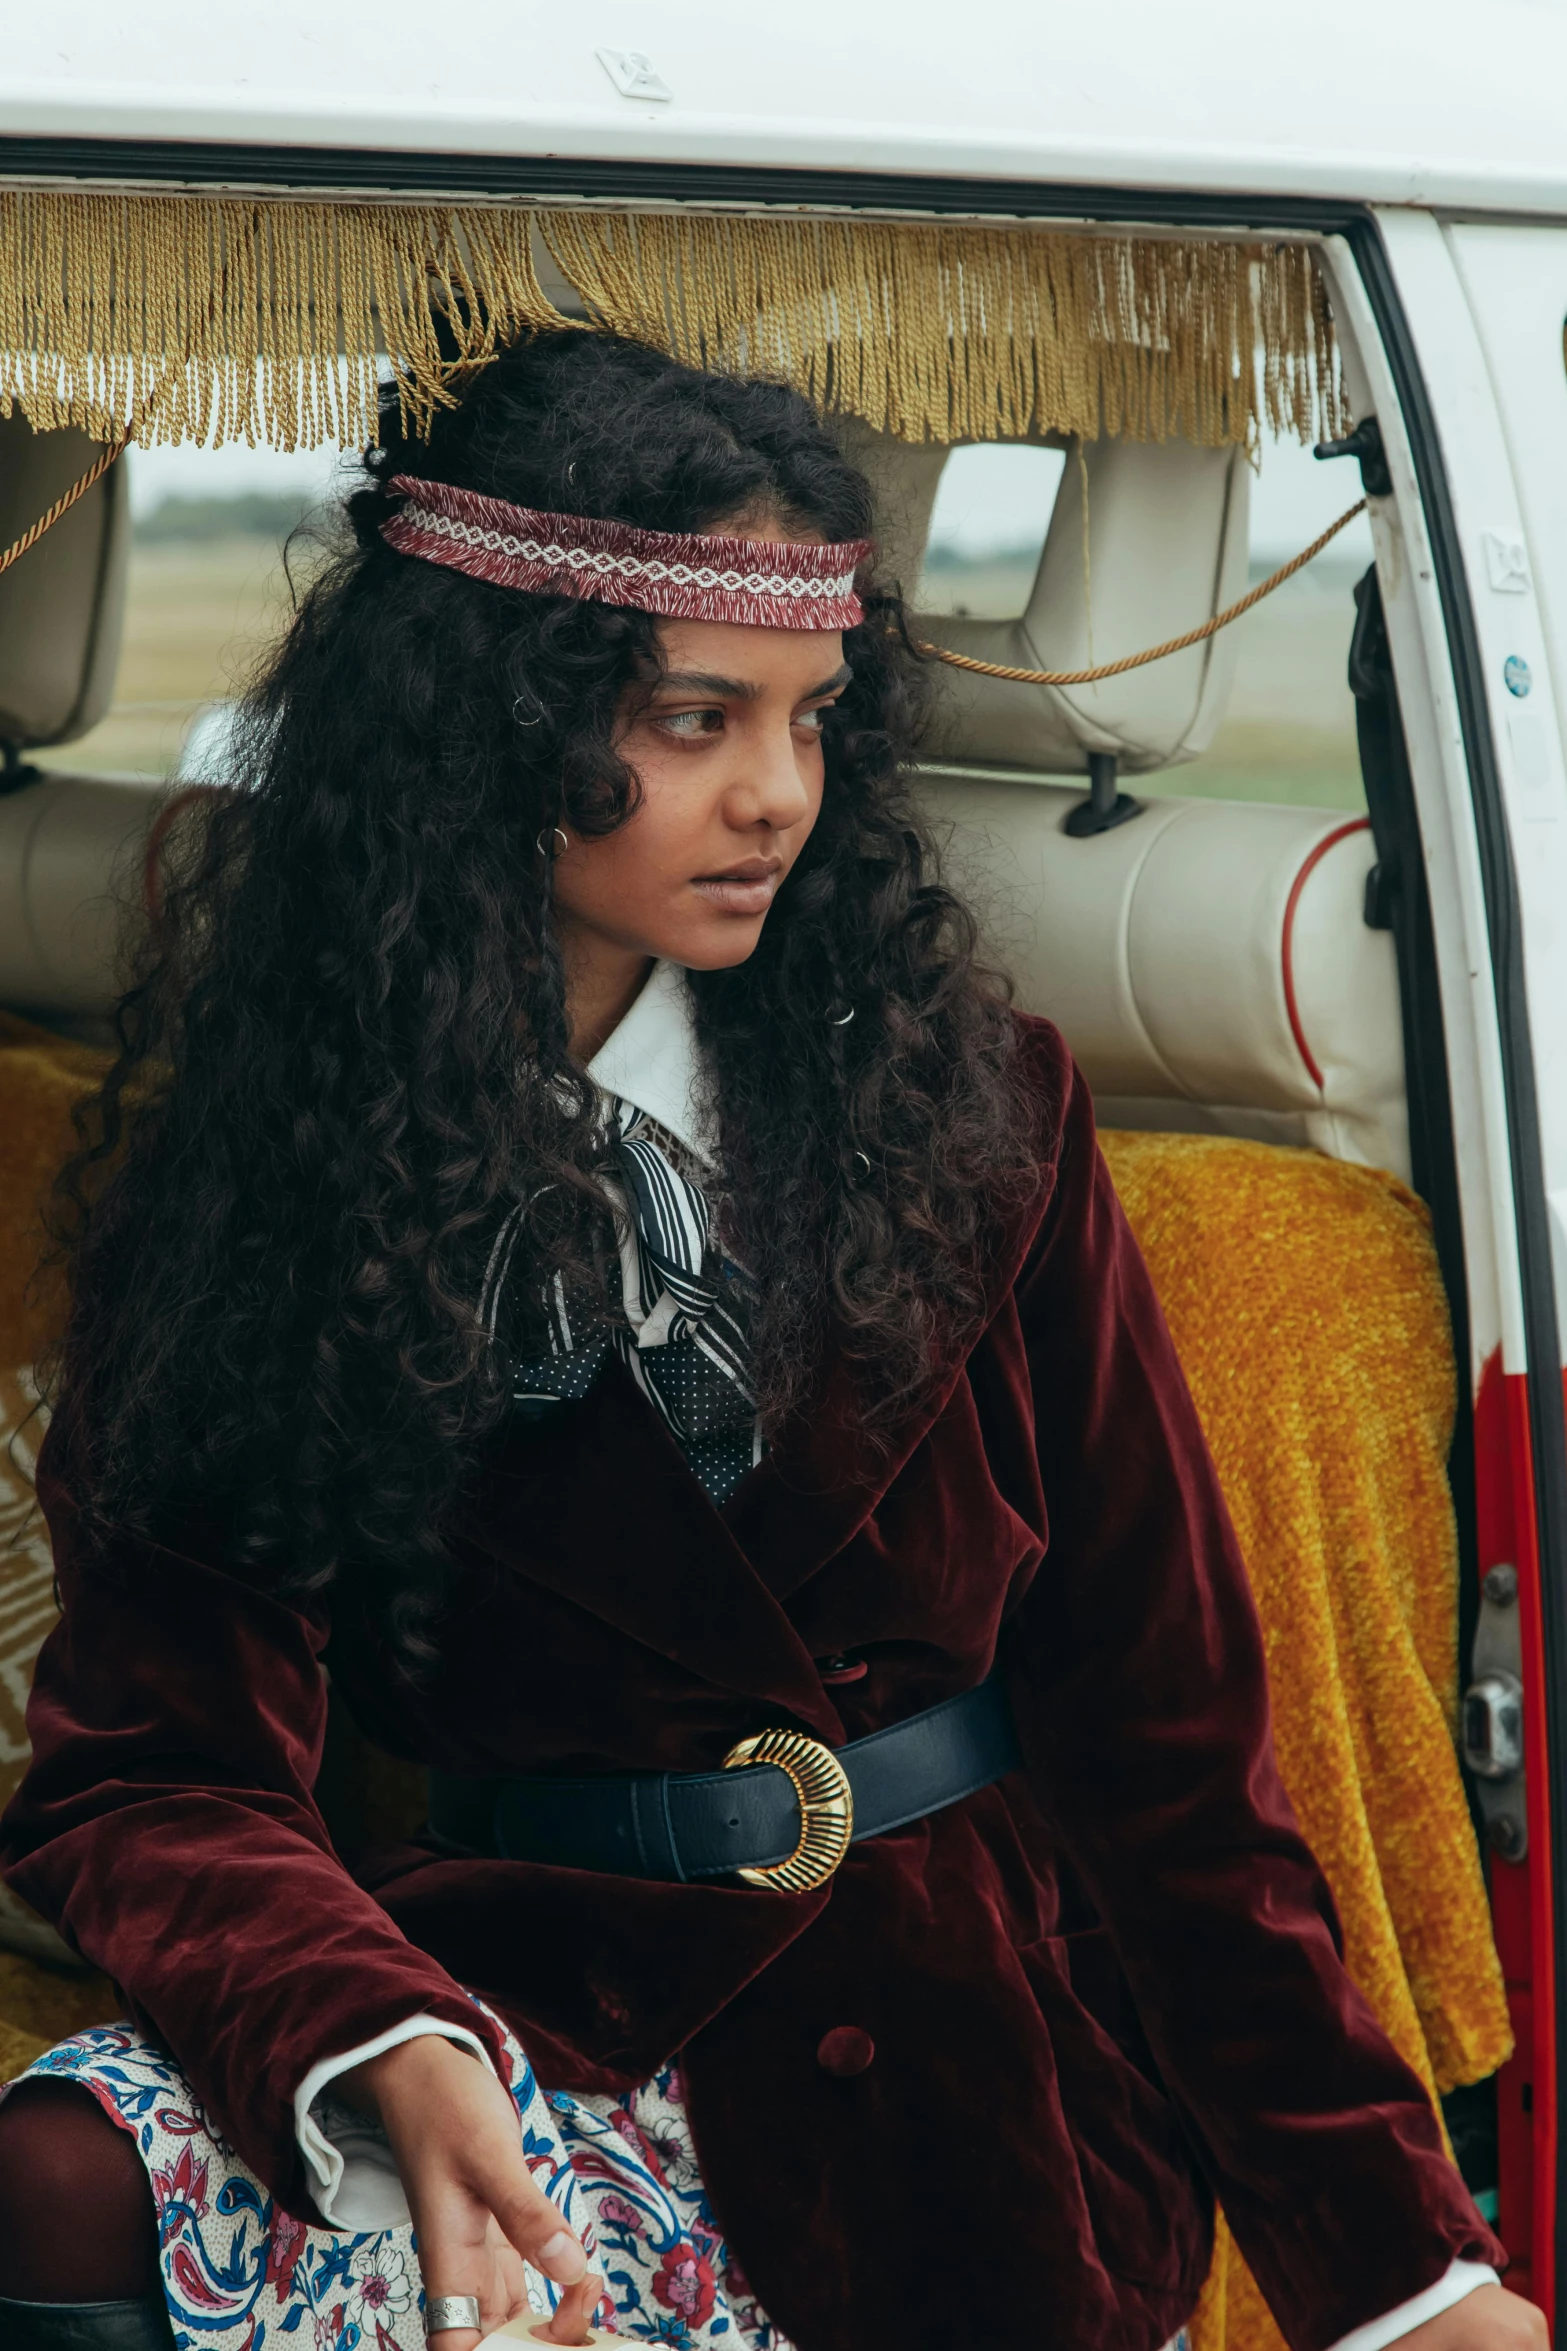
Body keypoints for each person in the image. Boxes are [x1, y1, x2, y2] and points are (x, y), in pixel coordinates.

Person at [0, 328, 1541, 2351]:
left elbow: (1173, 1755)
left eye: (815, 721)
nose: (776, 797)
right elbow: (155, 1762)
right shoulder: (280, 1169)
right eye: (695, 716)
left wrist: (1406, 2270)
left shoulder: (982, 1108)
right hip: (525, 2010)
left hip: (978, 2071)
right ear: (490, 724)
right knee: (55, 2157)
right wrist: (374, 2032)